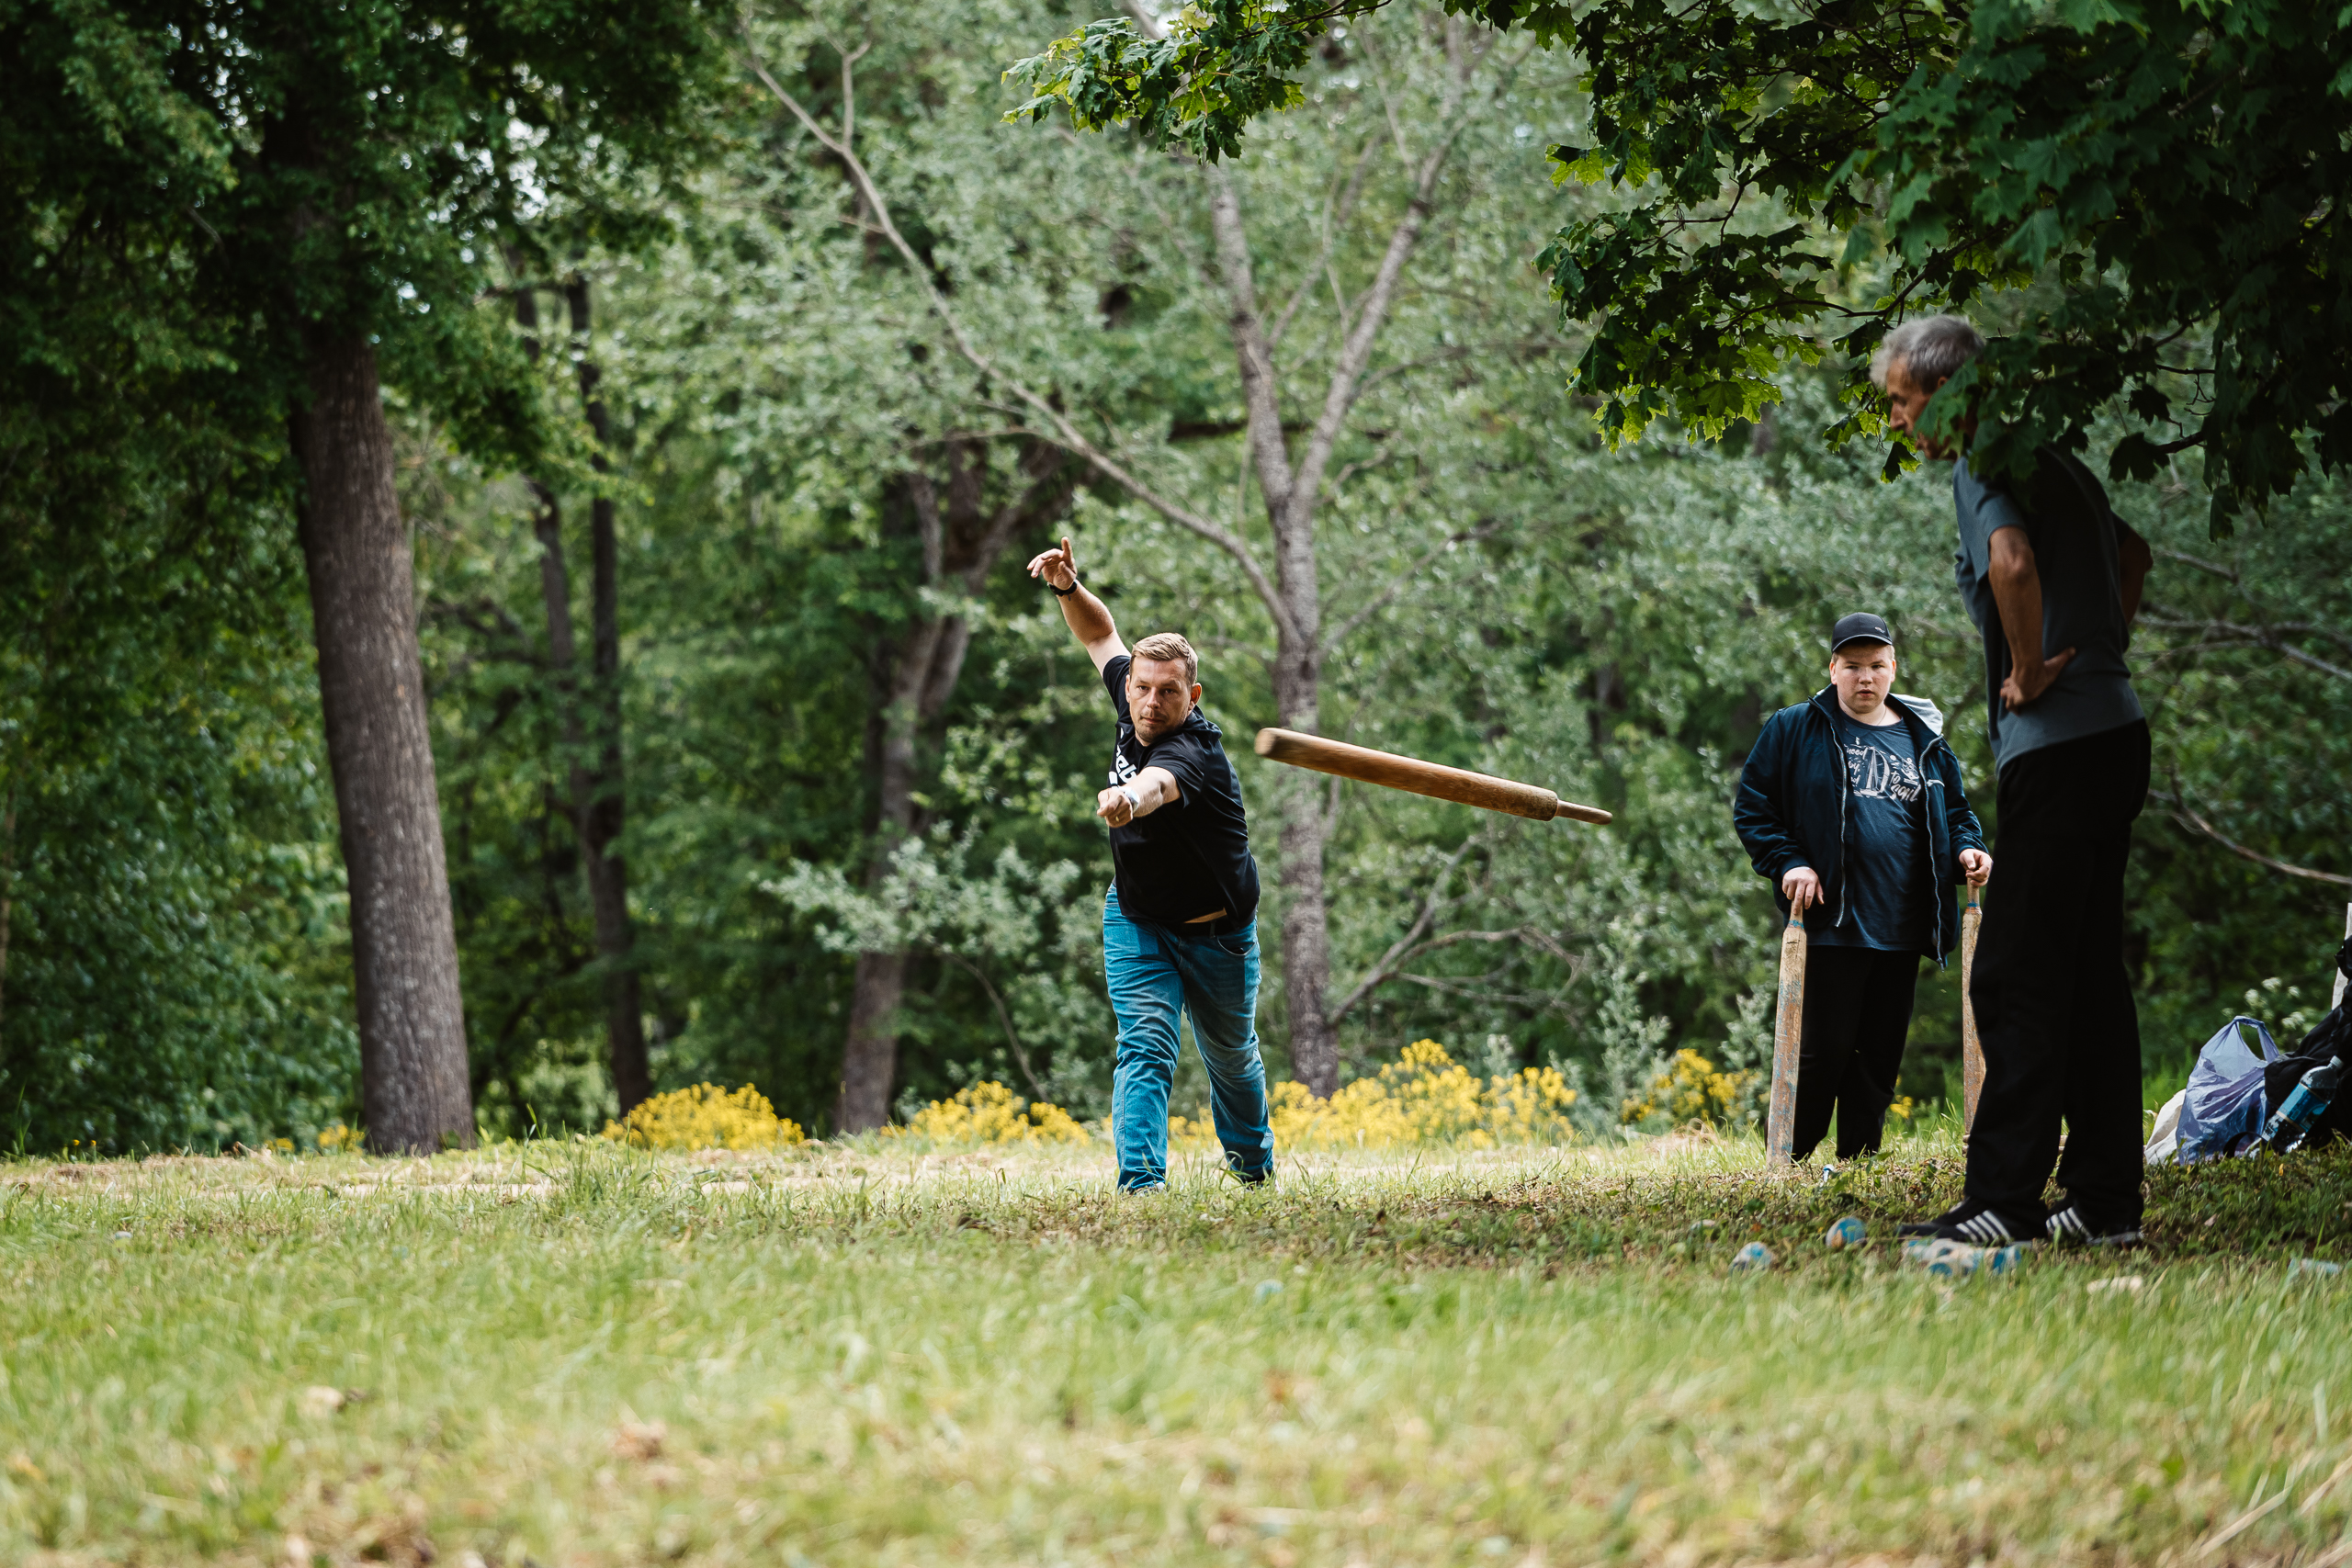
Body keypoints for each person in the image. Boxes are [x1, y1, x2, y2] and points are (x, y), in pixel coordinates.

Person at [1875, 314, 2155, 1247]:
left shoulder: (1981, 461)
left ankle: (2004, 1201)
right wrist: (2101, 654)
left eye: (1902, 401)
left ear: (1948, 395)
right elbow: (2131, 555)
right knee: (2084, 973)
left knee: (2014, 974)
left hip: (2057, 749)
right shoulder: (2055, 459)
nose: (1898, 421)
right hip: (2114, 736)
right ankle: (2107, 1203)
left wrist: (2034, 672)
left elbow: (2011, 562)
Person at [1025, 533, 1276, 1193]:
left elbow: (1156, 786)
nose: (1150, 703)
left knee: (1230, 1058)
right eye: (1142, 688)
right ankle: (1141, 1186)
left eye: (1168, 692)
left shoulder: (1195, 752)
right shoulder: (1128, 696)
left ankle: (1253, 1173)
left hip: (1217, 931)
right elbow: (1101, 635)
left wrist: (1125, 800)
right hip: (1137, 917)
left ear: (1193, 695)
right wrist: (1066, 587)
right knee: (1145, 1046)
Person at [1735, 613, 1992, 1160]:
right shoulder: (1794, 727)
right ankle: (1790, 1157)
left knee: (1879, 1055)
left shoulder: (1927, 742)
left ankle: (1858, 1161)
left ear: (1893, 668)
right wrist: (1789, 864)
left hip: (1903, 924)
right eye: (1852, 667)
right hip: (1831, 920)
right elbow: (1754, 807)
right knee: (1823, 1051)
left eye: (1876, 666)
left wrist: (1969, 849)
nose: (1865, 678)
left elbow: (1958, 814)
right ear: (1833, 669)